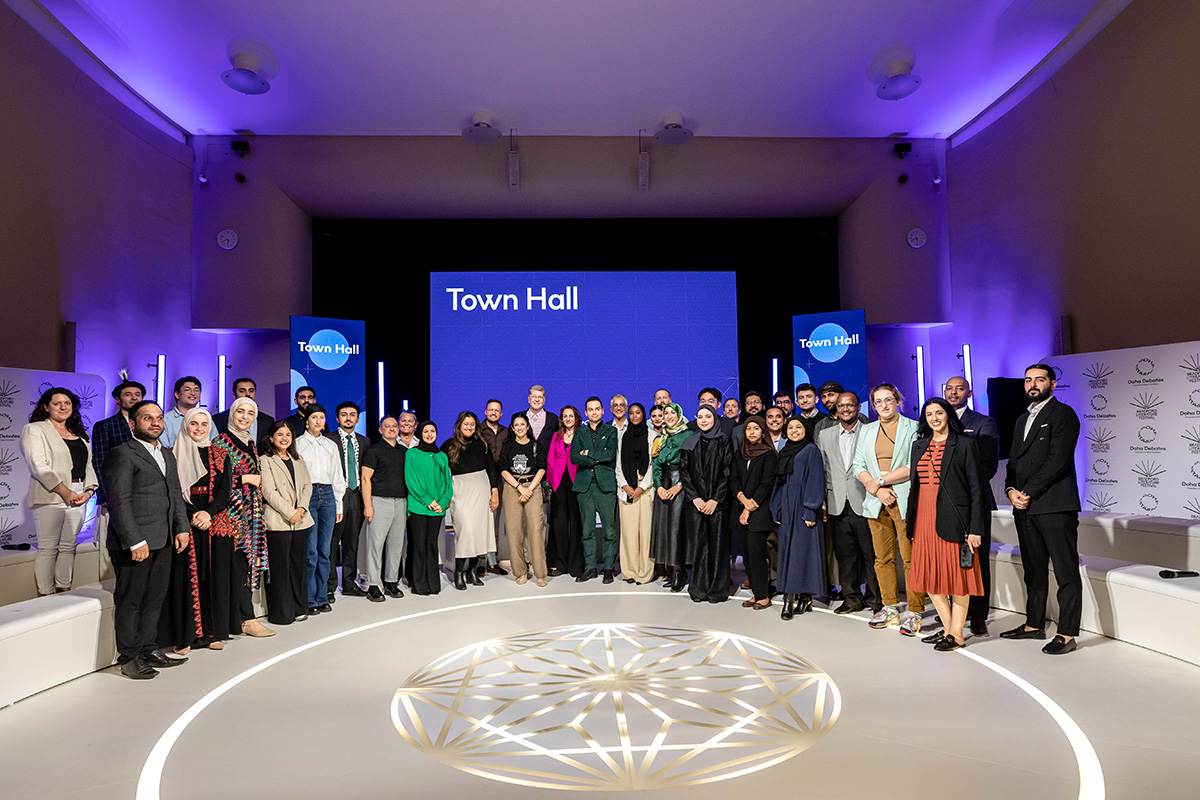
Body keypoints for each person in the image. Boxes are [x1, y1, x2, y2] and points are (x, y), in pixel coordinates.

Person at [104, 401, 190, 679]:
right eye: (147, 418)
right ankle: (129, 658)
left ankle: (148, 648)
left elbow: (175, 494)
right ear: (132, 424)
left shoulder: (166, 453)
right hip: (135, 543)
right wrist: (134, 540)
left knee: (155, 598)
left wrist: (182, 528)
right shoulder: (122, 453)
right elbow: (119, 502)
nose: (155, 423)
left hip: (163, 538)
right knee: (131, 600)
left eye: (159, 418)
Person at [1001, 364, 1083, 656]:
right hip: (1024, 506)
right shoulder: (1022, 418)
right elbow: (1013, 462)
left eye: (1039, 379)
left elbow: (1057, 462)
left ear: (1053, 384)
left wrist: (1028, 492)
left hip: (1054, 505)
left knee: (1065, 572)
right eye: (1028, 380)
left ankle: (1067, 633)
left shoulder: (1063, 415)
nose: (1033, 384)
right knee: (1034, 572)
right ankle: (1034, 624)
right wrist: (1010, 490)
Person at [906, 398, 985, 651]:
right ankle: (949, 629)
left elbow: (976, 490)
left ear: (948, 414)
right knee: (930, 576)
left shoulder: (965, 444)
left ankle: (957, 633)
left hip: (955, 518)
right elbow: (914, 487)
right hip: (924, 518)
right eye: (929, 414)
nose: (934, 418)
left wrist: (975, 528)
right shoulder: (918, 445)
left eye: (939, 412)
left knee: (959, 577)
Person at [853, 383, 925, 636]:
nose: (884, 405)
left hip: (903, 498)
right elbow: (858, 465)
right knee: (882, 558)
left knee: (910, 558)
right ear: (873, 406)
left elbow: (912, 466)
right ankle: (890, 607)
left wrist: (882, 482)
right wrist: (876, 490)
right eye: (878, 402)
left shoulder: (914, 427)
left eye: (888, 400)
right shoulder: (868, 430)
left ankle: (915, 611)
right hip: (876, 501)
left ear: (897, 400)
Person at [172, 408, 241, 645]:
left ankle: (213, 633)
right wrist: (193, 515)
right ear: (185, 426)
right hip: (185, 521)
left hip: (215, 519)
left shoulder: (221, 454)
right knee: (188, 579)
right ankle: (188, 636)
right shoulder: (173, 454)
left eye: (204, 424)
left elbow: (225, 491)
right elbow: (172, 493)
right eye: (194, 424)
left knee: (215, 578)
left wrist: (207, 513)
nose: (199, 429)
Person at [20, 388, 99, 595]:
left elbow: (89, 465)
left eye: (67, 403)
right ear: (46, 407)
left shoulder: (80, 434)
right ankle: (45, 594)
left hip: (79, 493)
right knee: (48, 548)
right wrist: (65, 492)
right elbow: (38, 466)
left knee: (68, 546)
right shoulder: (35, 429)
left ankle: (64, 590)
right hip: (51, 493)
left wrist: (89, 490)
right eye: (57, 403)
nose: (63, 407)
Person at [211, 397, 274, 637]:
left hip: (251, 515)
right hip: (230, 517)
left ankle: (243, 617)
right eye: (240, 412)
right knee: (236, 567)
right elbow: (215, 481)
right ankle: (242, 619)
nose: (245, 417)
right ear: (231, 413)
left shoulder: (249, 441)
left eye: (250, 413)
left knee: (248, 566)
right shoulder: (221, 442)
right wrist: (244, 480)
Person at [944, 376, 1000, 636]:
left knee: (976, 560)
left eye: (959, 388)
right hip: (944, 504)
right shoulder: (936, 421)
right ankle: (952, 615)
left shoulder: (982, 422)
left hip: (974, 501)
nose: (953, 392)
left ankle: (978, 615)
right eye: (949, 388)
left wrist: (964, 489)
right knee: (946, 559)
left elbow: (989, 465)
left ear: (969, 392)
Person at [817, 392, 880, 614]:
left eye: (850, 405)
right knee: (845, 556)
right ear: (836, 408)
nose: (845, 409)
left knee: (871, 555)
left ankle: (875, 599)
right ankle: (851, 598)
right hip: (836, 503)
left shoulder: (871, 430)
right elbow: (822, 471)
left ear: (858, 408)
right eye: (841, 405)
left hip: (865, 501)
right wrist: (823, 504)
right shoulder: (825, 435)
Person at [771, 417, 826, 619]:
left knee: (801, 554)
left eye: (798, 427)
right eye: (790, 427)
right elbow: (780, 482)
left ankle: (790, 600)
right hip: (787, 507)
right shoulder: (785, 451)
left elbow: (815, 480)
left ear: (806, 429)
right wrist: (776, 508)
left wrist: (811, 510)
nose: (794, 430)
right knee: (787, 553)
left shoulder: (811, 450)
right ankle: (803, 598)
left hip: (803, 506)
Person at [258, 420, 312, 625]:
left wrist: (301, 509)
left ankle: (299, 607)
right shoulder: (265, 460)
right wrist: (290, 512)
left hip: (301, 520)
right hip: (279, 520)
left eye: (288, 435)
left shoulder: (298, 459)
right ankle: (282, 613)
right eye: (280, 434)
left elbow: (308, 485)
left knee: (298, 566)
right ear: (271, 437)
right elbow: (268, 492)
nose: (284, 438)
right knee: (279, 568)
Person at [294, 404, 346, 614]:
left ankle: (322, 596)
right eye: (314, 417)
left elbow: (337, 475)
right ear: (307, 420)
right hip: (308, 496)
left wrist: (339, 504)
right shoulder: (297, 444)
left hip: (328, 496)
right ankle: (310, 599)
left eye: (322, 417)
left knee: (326, 551)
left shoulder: (330, 445)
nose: (318, 421)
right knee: (310, 551)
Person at [679, 404, 733, 603]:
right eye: (700, 417)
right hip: (696, 504)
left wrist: (714, 499)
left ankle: (717, 590)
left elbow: (727, 472)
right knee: (699, 546)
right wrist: (695, 498)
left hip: (717, 504)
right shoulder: (689, 441)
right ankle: (699, 589)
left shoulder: (724, 441)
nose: (703, 420)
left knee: (718, 546)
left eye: (707, 416)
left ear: (714, 418)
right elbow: (684, 473)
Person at [443, 411, 500, 590]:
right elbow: (441, 472)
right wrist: (445, 495)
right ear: (459, 425)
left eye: (472, 424)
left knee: (480, 532)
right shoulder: (448, 445)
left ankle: (472, 571)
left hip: (481, 490)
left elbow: (491, 469)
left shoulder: (482, 444)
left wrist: (494, 492)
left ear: (476, 426)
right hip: (459, 492)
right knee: (465, 532)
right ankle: (459, 572)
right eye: (465, 424)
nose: (469, 427)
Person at [731, 415, 778, 610]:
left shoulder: (769, 454)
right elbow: (733, 480)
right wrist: (742, 499)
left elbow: (766, 484)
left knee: (756, 553)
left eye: (756, 428)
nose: (751, 432)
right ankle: (756, 593)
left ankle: (763, 596)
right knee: (747, 556)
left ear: (763, 432)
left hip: (759, 511)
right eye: (748, 428)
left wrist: (750, 508)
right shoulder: (740, 453)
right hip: (741, 507)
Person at [571, 397, 619, 583]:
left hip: (605, 486)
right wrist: (595, 457)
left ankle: (608, 568)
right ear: (586, 413)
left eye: (597, 409)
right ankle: (590, 567)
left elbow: (609, 455)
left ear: (603, 411)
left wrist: (588, 453)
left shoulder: (611, 430)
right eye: (590, 409)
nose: (594, 412)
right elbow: (575, 457)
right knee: (587, 531)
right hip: (585, 487)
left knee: (609, 531)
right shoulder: (579, 432)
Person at [361, 415, 408, 601]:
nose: (391, 428)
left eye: (394, 426)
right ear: (380, 430)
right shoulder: (374, 451)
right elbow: (365, 479)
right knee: (375, 545)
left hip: (401, 502)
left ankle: (390, 582)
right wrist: (368, 505)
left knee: (396, 545)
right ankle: (373, 584)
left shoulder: (404, 452)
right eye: (387, 426)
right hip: (379, 501)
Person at [498, 413, 548, 586]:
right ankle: (520, 571)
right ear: (512, 428)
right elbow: (503, 469)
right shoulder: (508, 446)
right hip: (512, 489)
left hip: (533, 486)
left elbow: (542, 468)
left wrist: (529, 489)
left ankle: (540, 573)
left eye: (522, 424)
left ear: (528, 427)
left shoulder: (536, 445)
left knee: (535, 530)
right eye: (516, 425)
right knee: (514, 532)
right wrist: (520, 488)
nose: (519, 427)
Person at [405, 421, 453, 595]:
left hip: (437, 509)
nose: (429, 434)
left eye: (433, 431)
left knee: (431, 545)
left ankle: (433, 584)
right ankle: (419, 585)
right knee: (418, 545)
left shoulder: (441, 456)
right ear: (420, 433)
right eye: (426, 431)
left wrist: (441, 502)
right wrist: (428, 500)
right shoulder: (411, 454)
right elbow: (411, 481)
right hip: (418, 507)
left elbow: (448, 484)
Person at [651, 403, 694, 591]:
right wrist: (659, 486)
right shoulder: (661, 438)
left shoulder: (689, 436)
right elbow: (656, 465)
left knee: (677, 529)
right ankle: (671, 569)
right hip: (664, 485)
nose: (668, 416)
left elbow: (692, 466)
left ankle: (679, 571)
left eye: (671, 413)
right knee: (666, 528)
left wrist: (679, 486)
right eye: (665, 413)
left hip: (680, 485)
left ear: (679, 414)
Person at [328, 401, 368, 599]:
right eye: (344, 414)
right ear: (337, 418)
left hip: (357, 496)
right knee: (332, 543)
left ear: (358, 418)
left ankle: (350, 584)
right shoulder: (328, 440)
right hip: (336, 496)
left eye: (352, 414)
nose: (348, 418)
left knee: (352, 543)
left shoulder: (365, 441)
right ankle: (329, 586)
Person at [615, 402, 656, 585]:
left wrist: (641, 487)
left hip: (645, 491)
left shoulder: (653, 436)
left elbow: (653, 466)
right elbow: (617, 465)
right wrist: (625, 486)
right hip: (627, 491)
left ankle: (644, 573)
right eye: (631, 413)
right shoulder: (623, 436)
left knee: (645, 533)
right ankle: (630, 572)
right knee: (628, 534)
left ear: (643, 414)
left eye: (637, 412)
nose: (634, 416)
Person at [546, 405, 584, 578]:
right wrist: (549, 483)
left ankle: (576, 563)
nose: (568, 419)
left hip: (577, 482)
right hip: (559, 483)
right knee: (559, 523)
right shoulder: (556, 436)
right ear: (561, 419)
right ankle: (559, 563)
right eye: (565, 416)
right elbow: (550, 460)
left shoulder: (582, 435)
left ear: (576, 418)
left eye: (571, 415)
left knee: (577, 523)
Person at [478, 399, 509, 576]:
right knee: (484, 523)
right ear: (485, 411)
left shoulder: (506, 432)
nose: (494, 413)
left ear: (501, 413)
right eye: (491, 410)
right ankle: (481, 562)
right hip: (483, 479)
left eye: (497, 410)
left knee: (496, 523)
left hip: (501, 480)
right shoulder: (478, 431)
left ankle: (493, 561)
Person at [211, 378, 275, 444]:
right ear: (234, 395)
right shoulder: (218, 420)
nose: (247, 394)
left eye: (251, 391)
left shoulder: (268, 421)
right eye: (242, 391)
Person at [160, 376, 200, 448]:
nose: (193, 393)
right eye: (187, 390)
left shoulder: (206, 419)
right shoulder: (164, 420)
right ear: (177, 394)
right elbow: (163, 449)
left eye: (196, 390)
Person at [525, 385, 559, 454]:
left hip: (547, 462)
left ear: (544, 401)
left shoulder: (553, 419)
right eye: (534, 396)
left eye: (540, 397)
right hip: (524, 461)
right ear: (529, 399)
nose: (537, 400)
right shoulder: (519, 417)